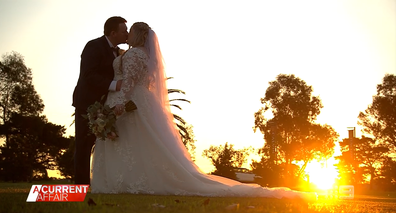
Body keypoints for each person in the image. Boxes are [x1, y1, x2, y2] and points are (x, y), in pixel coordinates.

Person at [90, 22, 316, 200]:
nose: (127, 33)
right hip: (140, 100)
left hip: (130, 101)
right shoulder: (143, 55)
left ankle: (125, 181)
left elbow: (129, 81)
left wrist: (122, 102)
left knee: (131, 142)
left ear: (138, 35)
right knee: (139, 143)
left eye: (130, 31)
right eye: (124, 30)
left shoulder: (134, 54)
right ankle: (131, 180)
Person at [72, 16, 128, 184]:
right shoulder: (93, 46)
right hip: (87, 103)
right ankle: (80, 186)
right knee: (83, 145)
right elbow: (88, 75)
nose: (127, 33)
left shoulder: (118, 52)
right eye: (124, 31)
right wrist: (114, 85)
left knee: (105, 145)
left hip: (105, 105)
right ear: (113, 33)